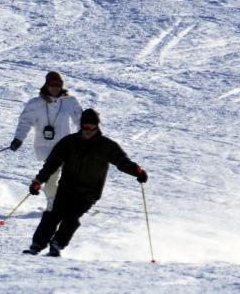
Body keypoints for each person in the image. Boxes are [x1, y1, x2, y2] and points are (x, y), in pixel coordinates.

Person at [23, 108, 148, 257]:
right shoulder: (69, 142)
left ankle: (57, 244)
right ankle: (37, 245)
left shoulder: (106, 146)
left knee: (71, 217)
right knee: (53, 214)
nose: (88, 130)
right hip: (66, 188)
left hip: (89, 192)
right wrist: (39, 181)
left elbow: (122, 161)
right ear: (81, 126)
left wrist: (137, 172)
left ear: (97, 126)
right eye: (85, 126)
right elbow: (52, 164)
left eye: (92, 127)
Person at [10, 70, 82, 211]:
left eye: (58, 85)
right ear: (46, 85)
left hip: (66, 146)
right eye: (52, 85)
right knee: (52, 176)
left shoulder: (70, 102)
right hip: (46, 147)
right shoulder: (36, 104)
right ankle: (53, 203)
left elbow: (80, 120)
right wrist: (18, 138)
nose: (55, 88)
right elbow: (25, 122)